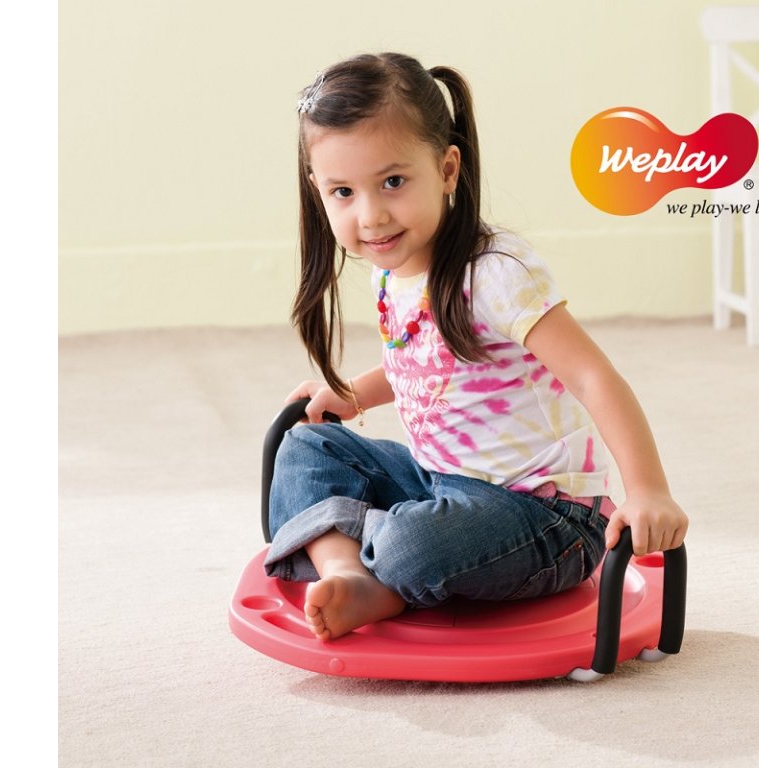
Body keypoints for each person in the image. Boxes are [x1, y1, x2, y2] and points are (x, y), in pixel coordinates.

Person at [265, 52, 688, 642]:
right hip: (442, 482)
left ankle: (382, 560)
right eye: (343, 192)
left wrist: (647, 491)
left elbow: (593, 377)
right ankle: (347, 571)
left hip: (544, 515)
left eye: (393, 182)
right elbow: (422, 365)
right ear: (318, 190)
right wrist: (351, 395)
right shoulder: (393, 265)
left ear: (446, 169)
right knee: (306, 446)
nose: (372, 215)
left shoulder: (495, 274)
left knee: (415, 541)